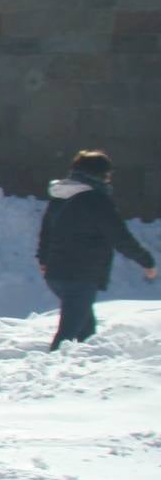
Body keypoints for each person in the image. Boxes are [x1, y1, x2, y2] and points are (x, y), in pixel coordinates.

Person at [36, 149, 157, 350]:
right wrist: (146, 261)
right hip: (80, 275)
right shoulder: (96, 200)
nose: (109, 179)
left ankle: (76, 369)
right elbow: (119, 237)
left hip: (57, 274)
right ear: (100, 174)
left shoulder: (61, 196)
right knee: (68, 334)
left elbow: (47, 231)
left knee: (86, 330)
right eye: (108, 175)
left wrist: (43, 259)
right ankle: (46, 371)